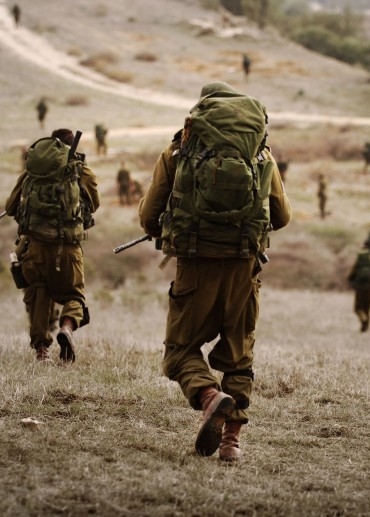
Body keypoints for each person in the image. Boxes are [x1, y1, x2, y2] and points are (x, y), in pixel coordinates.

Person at [138, 82, 291, 462]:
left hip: (195, 265)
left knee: (179, 351)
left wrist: (169, 227)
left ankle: (208, 396)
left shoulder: (179, 150)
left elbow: (148, 216)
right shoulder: (260, 154)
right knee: (239, 355)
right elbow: (282, 216)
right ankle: (230, 443)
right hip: (243, 267)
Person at [5, 128, 99, 362]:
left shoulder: (34, 169)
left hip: (34, 245)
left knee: (39, 292)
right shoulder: (79, 168)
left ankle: (41, 351)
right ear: (71, 146)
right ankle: (66, 328)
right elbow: (94, 203)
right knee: (75, 295)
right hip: (67, 246)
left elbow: (10, 207)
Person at [347, 247, 370, 332]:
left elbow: (350, 276)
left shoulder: (357, 265)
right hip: (369, 289)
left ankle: (363, 320)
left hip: (359, 289)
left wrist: (352, 284)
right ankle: (365, 327)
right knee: (367, 309)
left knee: (357, 308)